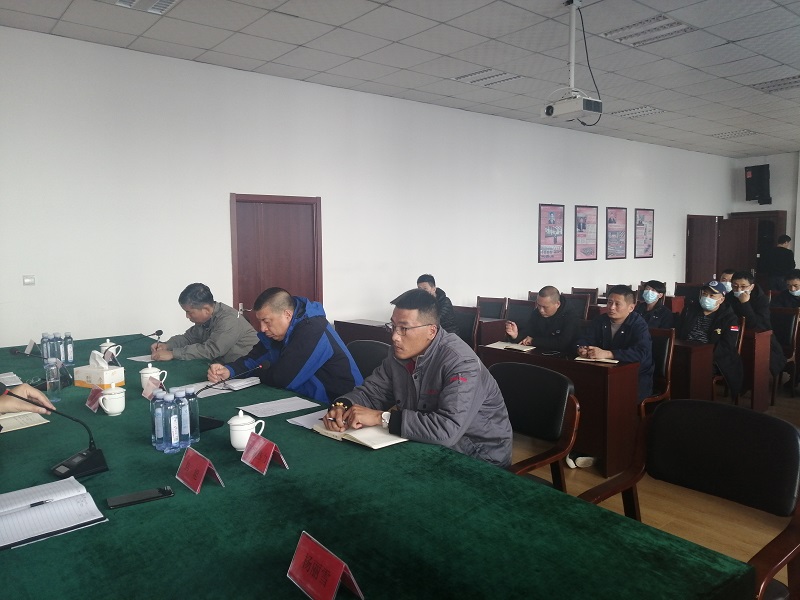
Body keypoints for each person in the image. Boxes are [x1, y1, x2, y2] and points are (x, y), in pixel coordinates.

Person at [324, 288, 512, 468]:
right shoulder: (397, 356)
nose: (395, 337)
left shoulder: (461, 363)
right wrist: (343, 406)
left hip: (478, 458)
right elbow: (372, 393)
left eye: (404, 328)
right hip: (426, 445)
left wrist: (381, 417)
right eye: (393, 326)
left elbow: (447, 430)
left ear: (431, 331)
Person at [208, 287, 362, 404]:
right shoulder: (279, 331)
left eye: (267, 322)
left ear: (287, 315)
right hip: (305, 400)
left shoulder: (313, 330)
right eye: (260, 322)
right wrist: (229, 370)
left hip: (339, 404)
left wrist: (257, 373)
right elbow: (255, 359)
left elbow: (284, 379)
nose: (262, 328)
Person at [576, 285, 654, 402]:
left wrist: (608, 354)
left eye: (617, 304)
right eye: (609, 302)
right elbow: (584, 339)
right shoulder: (600, 320)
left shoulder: (639, 325)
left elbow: (641, 353)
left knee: (614, 398)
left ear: (631, 308)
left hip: (635, 376)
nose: (611, 307)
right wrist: (582, 348)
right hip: (605, 371)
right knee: (584, 391)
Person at [152, 283, 259, 363]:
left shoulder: (229, 320)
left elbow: (212, 350)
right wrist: (167, 345)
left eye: (189, 312)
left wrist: (173, 354)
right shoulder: (206, 318)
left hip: (248, 370)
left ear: (206, 309)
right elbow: (188, 338)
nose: (187, 316)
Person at [676, 280, 743, 400]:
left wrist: (705, 355)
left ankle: (696, 402)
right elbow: (679, 333)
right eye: (704, 294)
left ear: (721, 300)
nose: (707, 298)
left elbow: (727, 345)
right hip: (686, 351)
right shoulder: (689, 310)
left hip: (713, 357)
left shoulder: (729, 318)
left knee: (695, 370)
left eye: (712, 295)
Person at [725, 271, 786, 378]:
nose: (739, 290)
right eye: (735, 286)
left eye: (743, 286)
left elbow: (754, 324)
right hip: (734, 333)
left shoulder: (761, 299)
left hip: (760, 335)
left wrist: (745, 303)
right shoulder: (729, 296)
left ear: (751, 286)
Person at [505, 286, 580, 353]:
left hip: (563, 356)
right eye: (539, 305)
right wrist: (516, 336)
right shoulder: (537, 312)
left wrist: (534, 341)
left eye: (545, 307)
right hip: (539, 352)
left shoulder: (571, 316)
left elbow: (562, 343)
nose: (541, 310)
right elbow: (529, 330)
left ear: (557, 304)